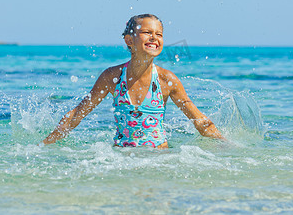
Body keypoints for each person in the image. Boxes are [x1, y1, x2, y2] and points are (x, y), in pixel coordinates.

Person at [42, 14, 224, 148]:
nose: (154, 37)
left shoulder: (166, 80)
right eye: (146, 32)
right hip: (123, 159)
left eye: (159, 34)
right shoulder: (112, 77)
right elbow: (77, 114)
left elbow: (199, 120)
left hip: (159, 159)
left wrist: (228, 146)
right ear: (129, 40)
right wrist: (46, 143)